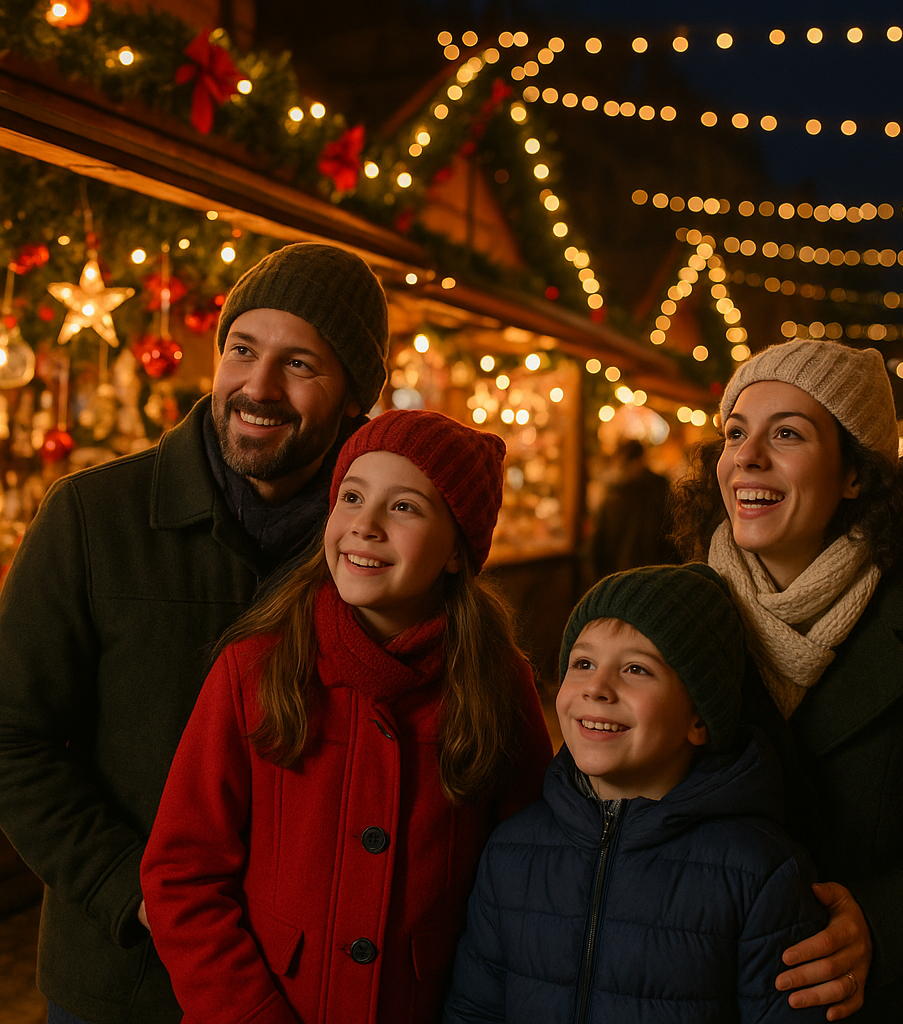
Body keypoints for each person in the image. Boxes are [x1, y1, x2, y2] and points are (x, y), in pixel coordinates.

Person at [0, 242, 390, 1024]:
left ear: (356, 398)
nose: (258, 387)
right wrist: (134, 893)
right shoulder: (90, 517)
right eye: (241, 350)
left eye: (300, 364)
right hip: (121, 984)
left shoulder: (375, 552)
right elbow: (12, 739)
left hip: (309, 988)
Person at [141, 409, 553, 1024]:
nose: (365, 525)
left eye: (405, 507)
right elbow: (182, 875)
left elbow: (525, 877)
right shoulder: (254, 669)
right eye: (352, 497)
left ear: (455, 550)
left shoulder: (496, 681)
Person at [671, 338, 903, 1023]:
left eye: (788, 434)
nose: (746, 455)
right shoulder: (674, 614)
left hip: (889, 1003)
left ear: (856, 475)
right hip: (706, 992)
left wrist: (883, 925)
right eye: (736, 433)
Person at [444, 564, 829, 1024]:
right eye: (583, 663)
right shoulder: (511, 851)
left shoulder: (761, 874)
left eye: (636, 669)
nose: (598, 689)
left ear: (700, 719)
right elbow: (474, 1011)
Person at [588, 438, 675, 580]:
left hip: (621, 574)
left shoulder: (615, 495)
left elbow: (599, 543)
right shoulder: (659, 489)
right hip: (655, 572)